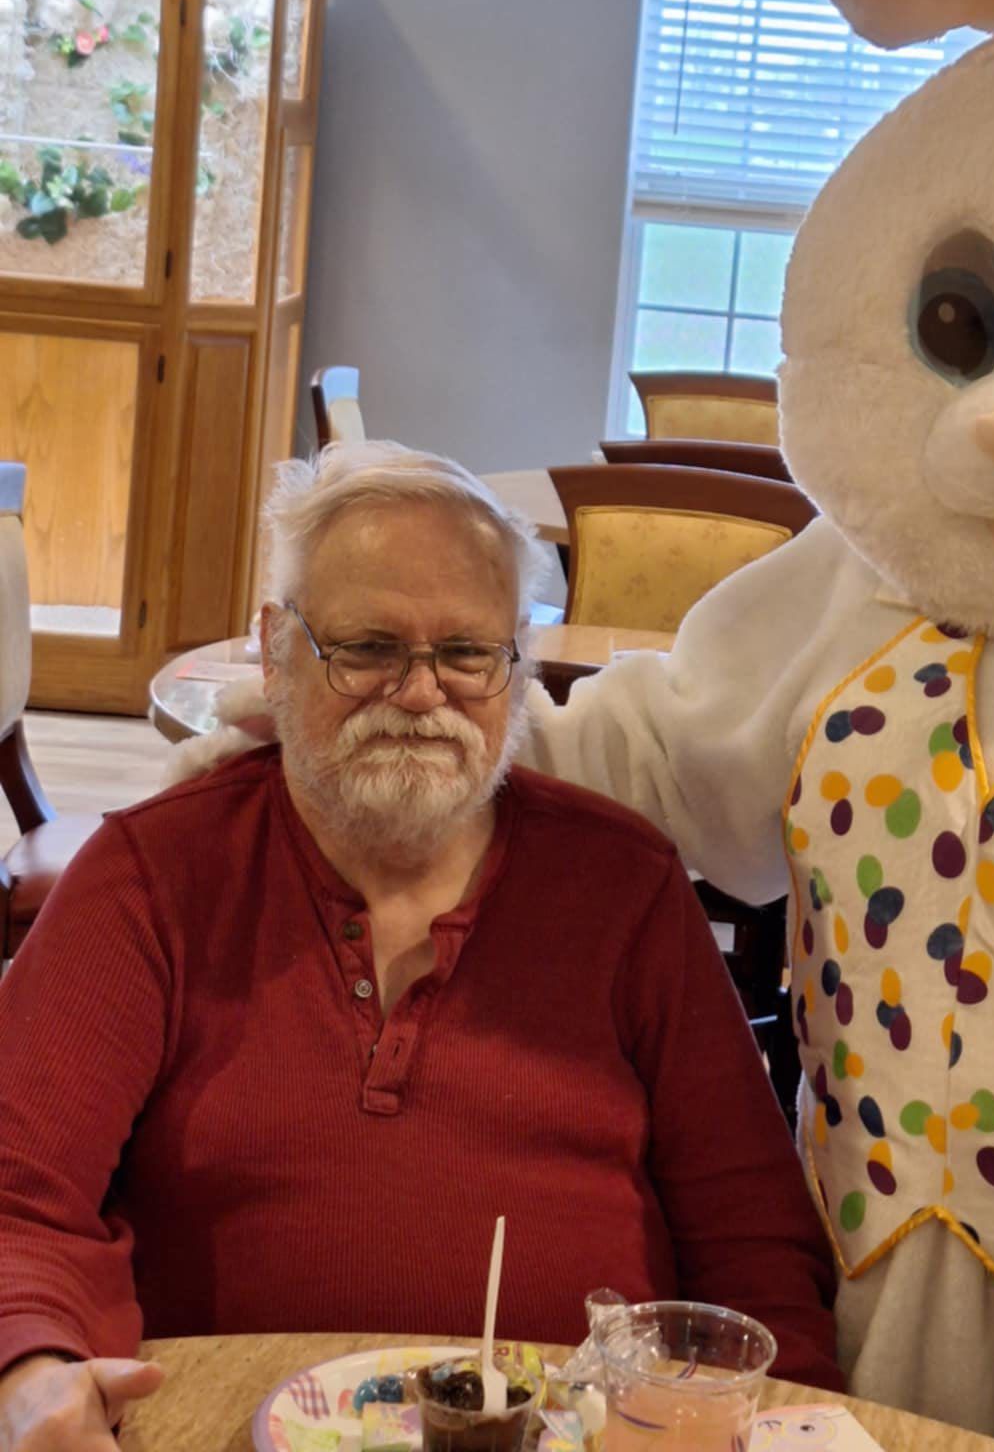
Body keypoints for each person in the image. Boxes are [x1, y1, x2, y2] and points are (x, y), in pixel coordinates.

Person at [0, 443, 839, 1450]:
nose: (421, 692)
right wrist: (30, 1368)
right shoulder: (151, 878)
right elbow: (18, 1192)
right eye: (368, 646)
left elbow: (754, 1246)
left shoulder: (624, 886)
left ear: (515, 665)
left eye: (467, 652)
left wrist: (789, 1419)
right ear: (275, 650)